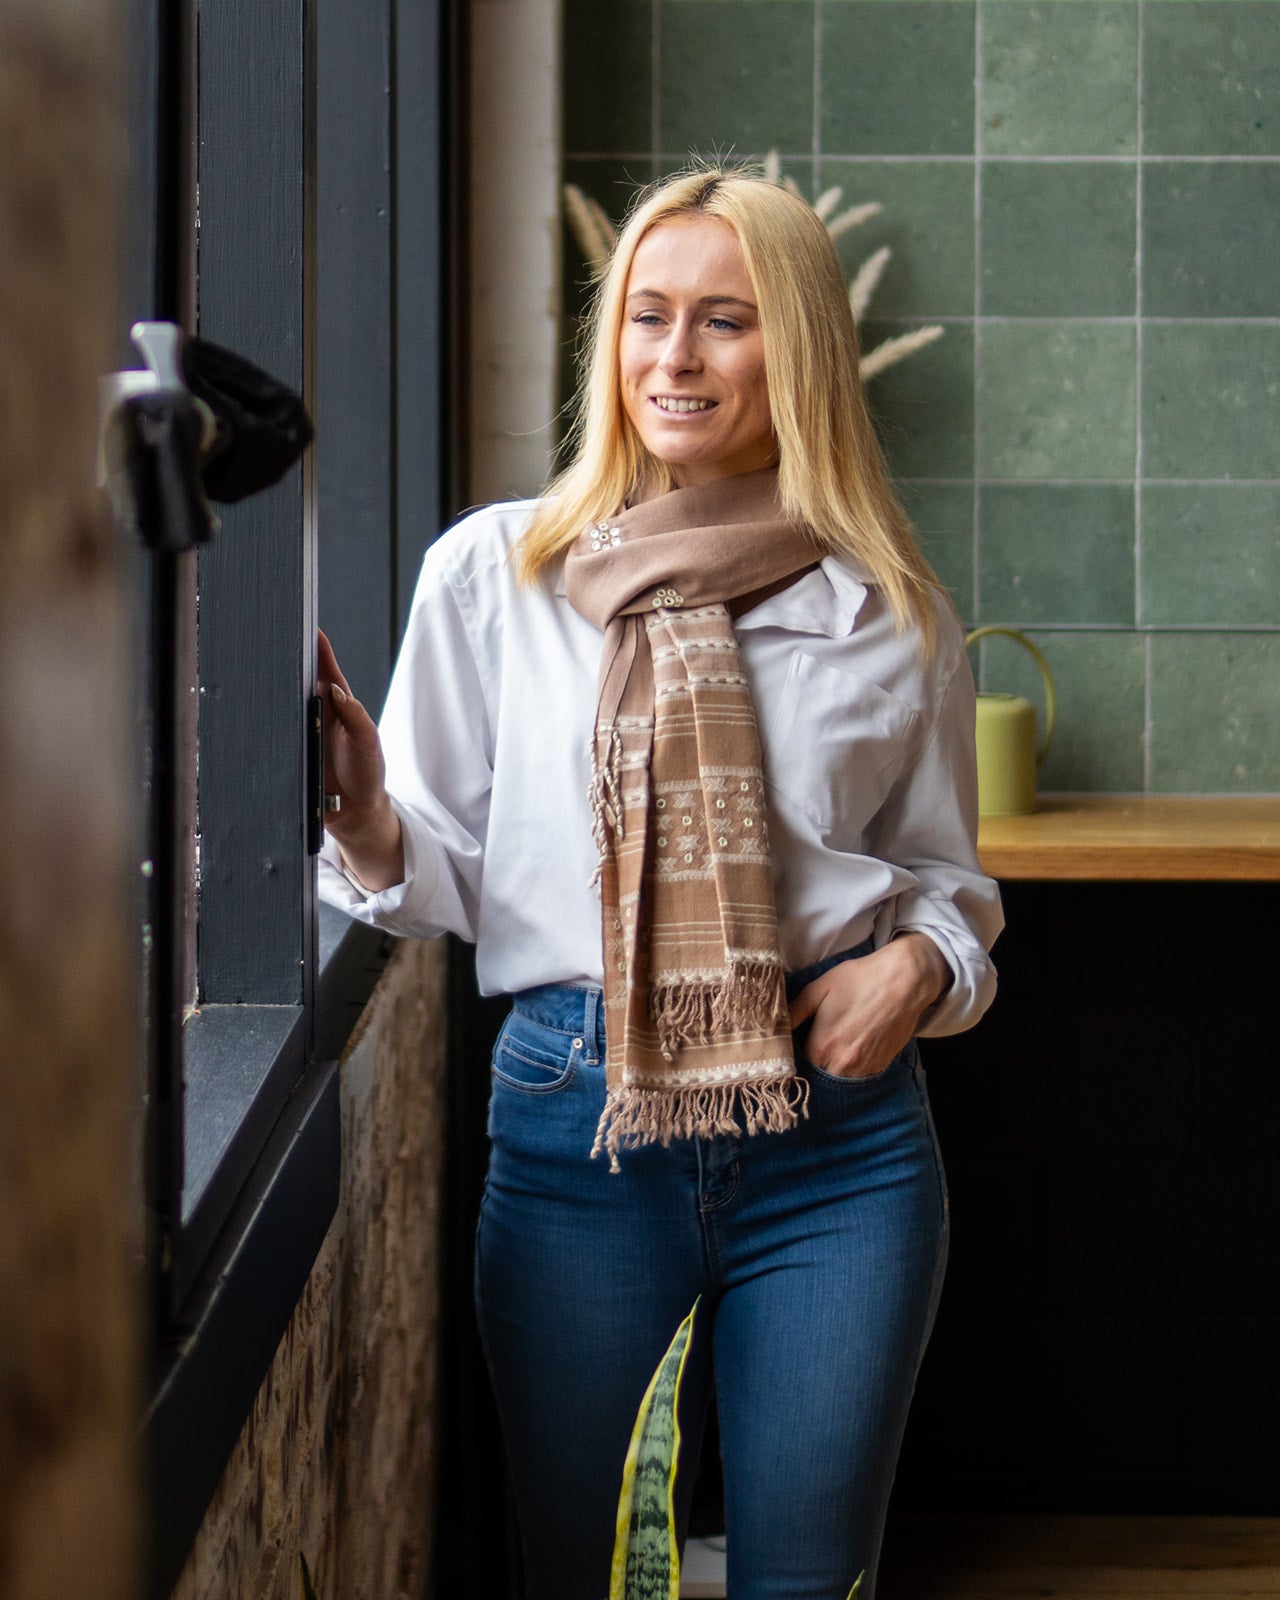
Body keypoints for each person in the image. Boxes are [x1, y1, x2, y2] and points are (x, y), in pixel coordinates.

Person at [318, 165, 1002, 1600]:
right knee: (579, 1569)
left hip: (838, 1142)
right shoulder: (492, 576)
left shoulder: (890, 606)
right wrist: (369, 816)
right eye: (647, 317)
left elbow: (949, 883)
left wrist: (921, 966)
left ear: (799, 349)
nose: (674, 359)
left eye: (725, 322)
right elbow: (445, 872)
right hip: (582, 1131)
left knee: (808, 1581)